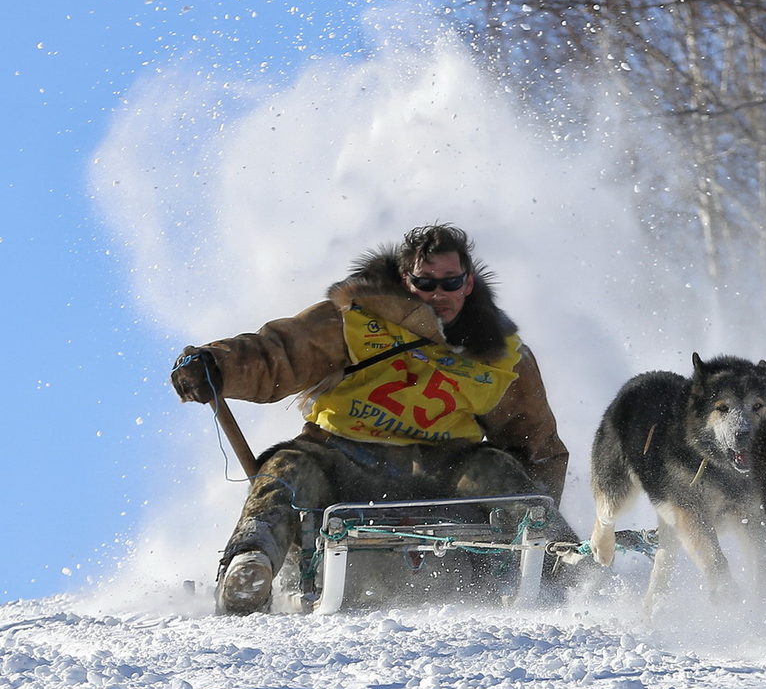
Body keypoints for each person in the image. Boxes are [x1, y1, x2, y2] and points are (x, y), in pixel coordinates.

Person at [171, 223, 577, 613]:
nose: (440, 294)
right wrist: (216, 366)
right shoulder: (353, 322)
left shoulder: (501, 356)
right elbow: (279, 353)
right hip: (340, 460)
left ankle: (565, 568)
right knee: (286, 468)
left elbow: (534, 443)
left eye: (451, 282)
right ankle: (250, 565)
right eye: (426, 283)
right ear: (405, 281)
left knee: (497, 468)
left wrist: (536, 511)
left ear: (468, 283)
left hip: (445, 471)